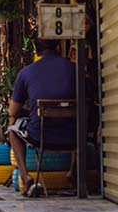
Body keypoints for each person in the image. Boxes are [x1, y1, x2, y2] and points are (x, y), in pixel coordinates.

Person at [6, 38, 76, 197]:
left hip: (40, 136)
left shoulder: (26, 72)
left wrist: (31, 110)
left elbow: (13, 111)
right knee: (79, 121)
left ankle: (26, 177)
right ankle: (73, 171)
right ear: (58, 46)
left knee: (13, 129)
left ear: (36, 51)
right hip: (74, 136)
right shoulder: (74, 69)